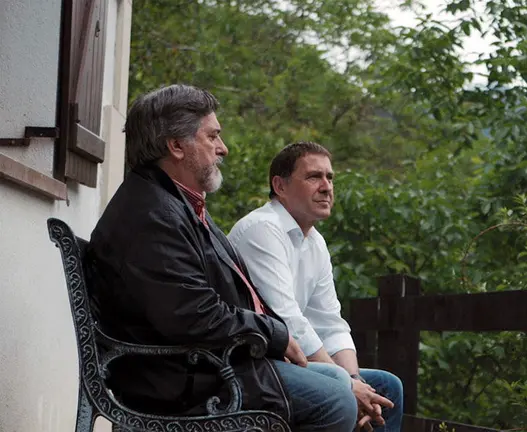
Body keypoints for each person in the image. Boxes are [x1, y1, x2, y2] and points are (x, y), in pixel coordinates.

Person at [87, 85, 357, 431]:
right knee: (335, 400)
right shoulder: (152, 215)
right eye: (213, 136)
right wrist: (275, 334)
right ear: (176, 146)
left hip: (203, 365)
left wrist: (273, 338)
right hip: (182, 379)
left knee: (340, 381)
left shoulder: (175, 204)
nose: (223, 148)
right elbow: (193, 313)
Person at [228, 142, 404, 432]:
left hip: (291, 363)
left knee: (387, 387)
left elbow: (329, 323)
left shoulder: (315, 242)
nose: (326, 187)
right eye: (313, 177)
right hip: (253, 363)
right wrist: (347, 383)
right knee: (339, 383)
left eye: (330, 177)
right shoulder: (261, 229)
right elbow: (287, 320)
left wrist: (355, 380)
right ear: (280, 186)